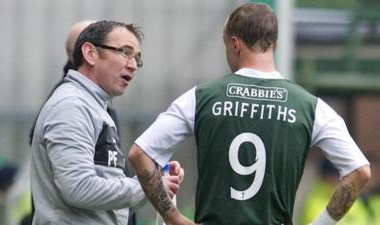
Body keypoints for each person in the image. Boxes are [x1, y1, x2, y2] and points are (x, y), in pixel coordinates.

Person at [128, 3, 371, 225]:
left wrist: (173, 218)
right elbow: (359, 171)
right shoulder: (311, 107)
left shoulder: (200, 98)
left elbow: (140, 153)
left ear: (235, 44)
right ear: (274, 44)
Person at [30, 20, 184, 225]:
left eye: (137, 58)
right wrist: (151, 187)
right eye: (124, 52)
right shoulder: (72, 106)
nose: (132, 65)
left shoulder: (93, 106)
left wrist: (154, 178)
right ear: (90, 53)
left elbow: (105, 185)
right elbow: (79, 188)